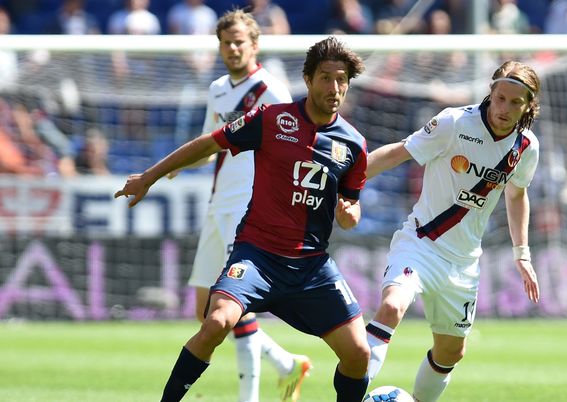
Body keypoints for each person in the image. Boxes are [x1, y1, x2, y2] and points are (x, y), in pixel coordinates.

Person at [114, 36, 371, 402]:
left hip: (311, 266)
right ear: (309, 79)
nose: (335, 87)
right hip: (258, 255)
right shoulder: (273, 119)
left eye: (342, 79)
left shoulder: (354, 145)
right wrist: (147, 178)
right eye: (326, 77)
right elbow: (209, 143)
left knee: (359, 353)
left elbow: (352, 203)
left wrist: (350, 214)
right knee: (216, 322)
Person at [365, 60, 542, 401]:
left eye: (515, 102)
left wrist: (522, 254)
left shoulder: (527, 147)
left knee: (450, 353)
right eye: (500, 97)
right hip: (421, 243)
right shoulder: (454, 122)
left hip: (463, 263)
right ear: (491, 91)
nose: (504, 109)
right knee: (391, 306)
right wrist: (346, 183)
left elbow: (517, 194)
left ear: (528, 107)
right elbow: (399, 153)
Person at [168, 9, 310, 402]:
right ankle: (285, 364)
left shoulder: (271, 90)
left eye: (239, 42)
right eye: (226, 43)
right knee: (205, 312)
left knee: (234, 305)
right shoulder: (217, 89)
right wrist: (176, 165)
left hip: (248, 207)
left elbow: (292, 150)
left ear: (254, 45)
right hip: (219, 204)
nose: (232, 49)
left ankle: (249, 397)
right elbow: (207, 147)